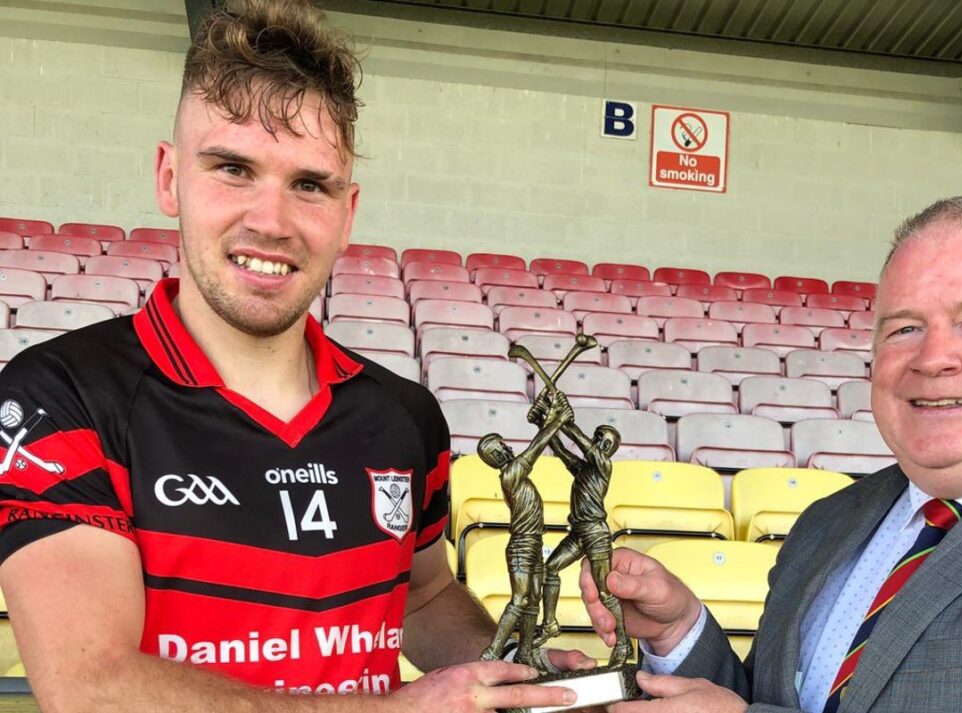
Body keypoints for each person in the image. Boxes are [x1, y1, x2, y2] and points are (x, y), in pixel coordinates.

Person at [0, 1, 584, 710]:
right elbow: (95, 688)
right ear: (167, 178)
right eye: (233, 168)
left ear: (348, 212)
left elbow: (423, 594)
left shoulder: (404, 416)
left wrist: (519, 668)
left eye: (309, 184)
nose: (271, 222)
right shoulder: (57, 399)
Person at [581, 195, 962, 712]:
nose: (933, 357)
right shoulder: (830, 520)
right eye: (904, 328)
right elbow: (772, 702)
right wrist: (680, 630)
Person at [530, 397, 631, 669]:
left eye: (602, 439)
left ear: (609, 448)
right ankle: (549, 623)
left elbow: (585, 446)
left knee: (606, 591)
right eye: (598, 437)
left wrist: (566, 421)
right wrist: (546, 424)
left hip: (596, 533)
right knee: (550, 568)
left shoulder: (602, 465)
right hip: (578, 532)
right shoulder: (585, 468)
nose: (598, 441)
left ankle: (623, 643)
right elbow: (562, 451)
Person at [476, 390, 574, 670]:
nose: (504, 449)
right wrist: (555, 421)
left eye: (503, 445)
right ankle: (493, 651)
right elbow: (535, 449)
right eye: (497, 449)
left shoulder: (514, 472)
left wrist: (549, 418)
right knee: (520, 600)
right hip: (520, 545)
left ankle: (527, 652)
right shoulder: (510, 473)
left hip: (532, 542)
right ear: (492, 458)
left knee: (532, 602)